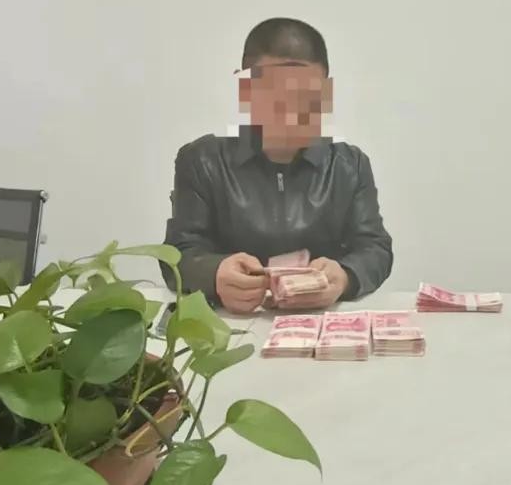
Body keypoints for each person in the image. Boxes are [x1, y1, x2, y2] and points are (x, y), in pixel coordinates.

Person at [163, 18, 393, 314]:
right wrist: (214, 273)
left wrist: (345, 277)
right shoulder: (203, 161)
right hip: (232, 325)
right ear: (246, 89)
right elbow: (177, 255)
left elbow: (375, 248)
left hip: (318, 324)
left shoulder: (349, 165)